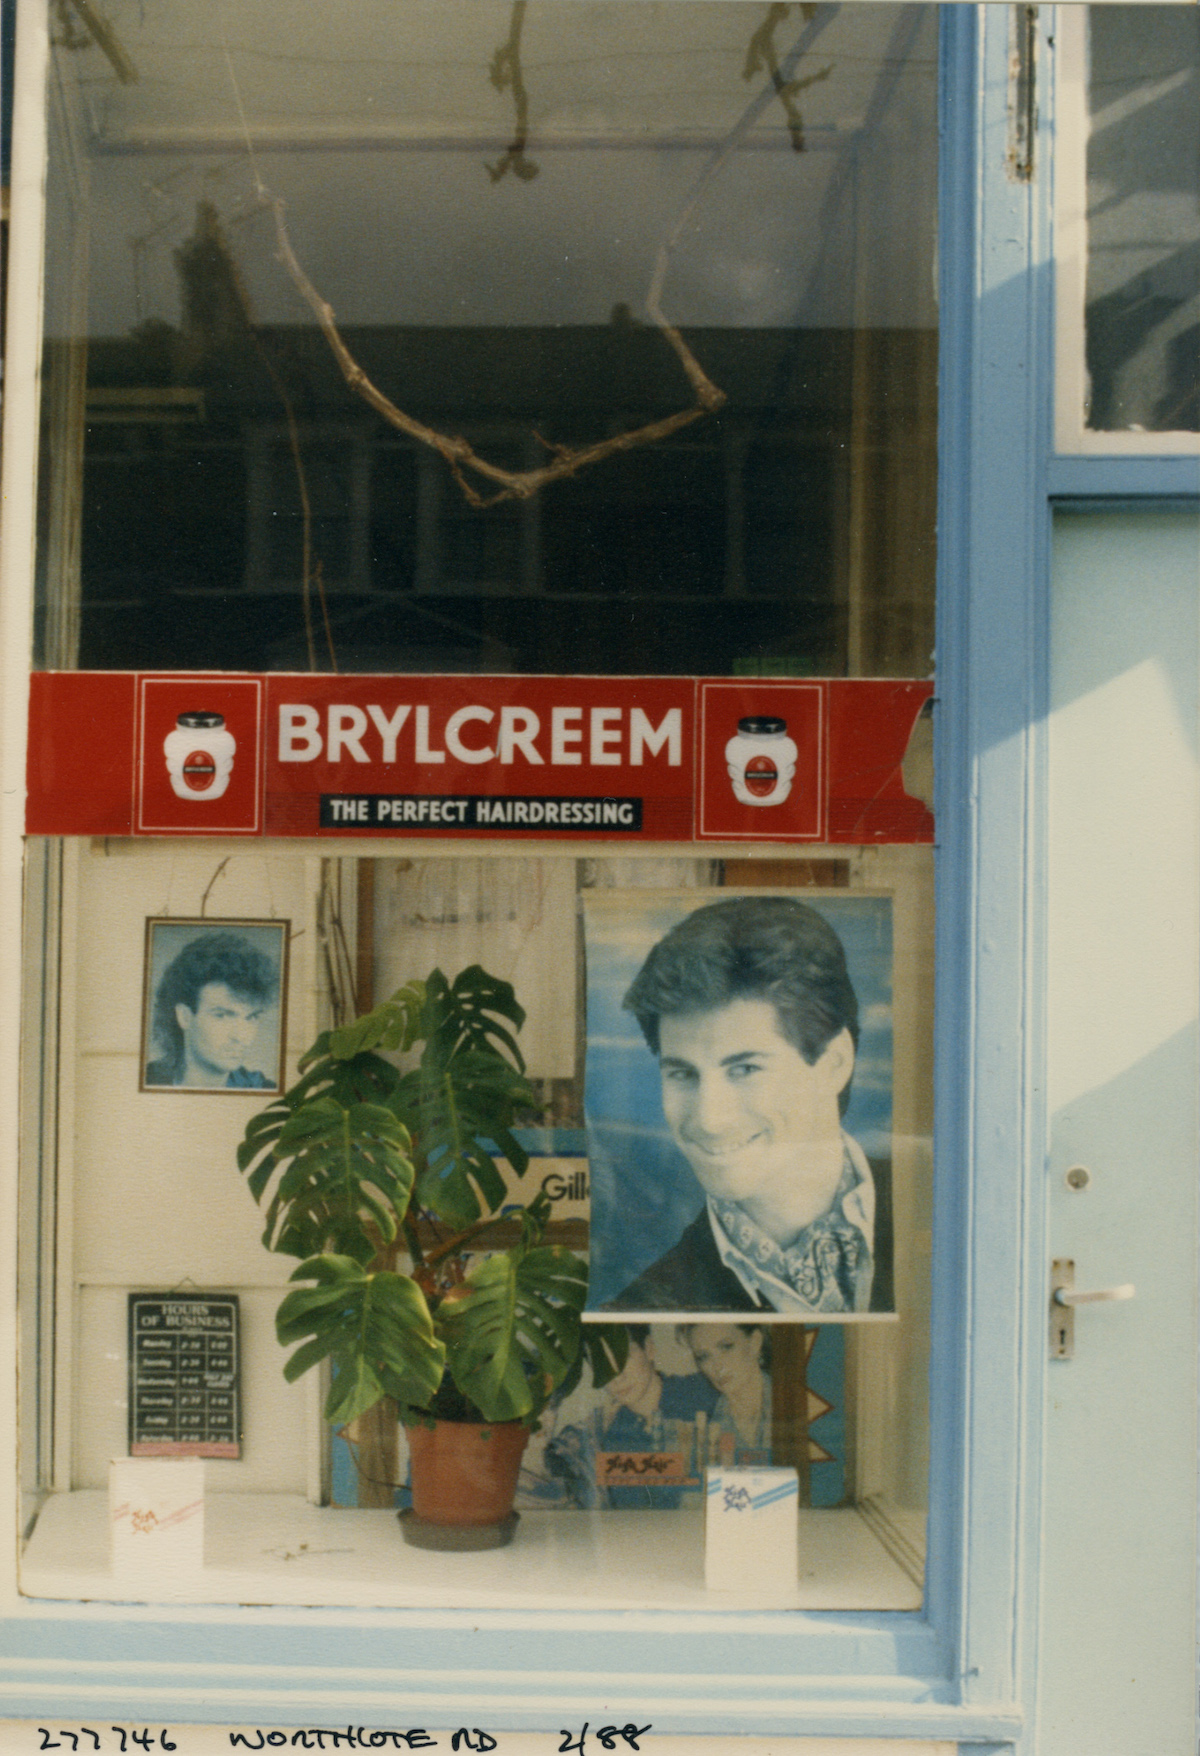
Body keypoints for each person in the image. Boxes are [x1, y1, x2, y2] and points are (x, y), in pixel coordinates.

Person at [605, 895, 883, 1314]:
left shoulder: (939, 1216)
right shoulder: (648, 1304)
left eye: (745, 1069)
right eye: (682, 1074)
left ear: (834, 1062)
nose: (711, 1119)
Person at [145, 931, 279, 1089]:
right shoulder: (144, 1080)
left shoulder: (263, 1090)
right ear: (184, 1017)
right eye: (221, 1016)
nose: (242, 1037)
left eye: (251, 1018)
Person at [678, 1322, 771, 1466]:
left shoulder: (792, 1400)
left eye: (726, 1347)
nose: (717, 1365)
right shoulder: (705, 1426)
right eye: (703, 1356)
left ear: (755, 1342)